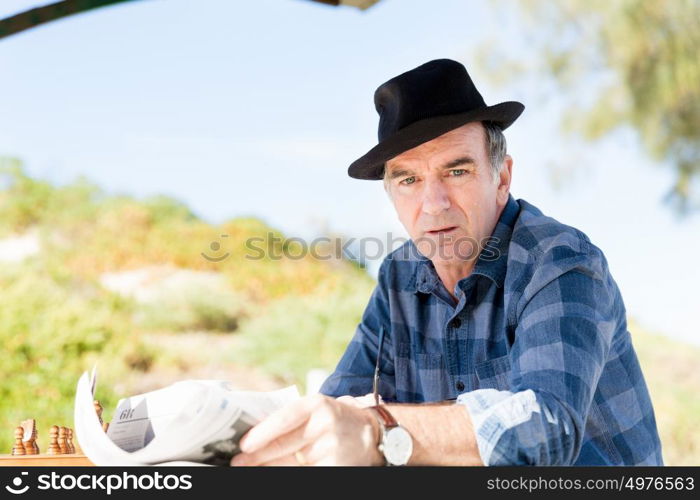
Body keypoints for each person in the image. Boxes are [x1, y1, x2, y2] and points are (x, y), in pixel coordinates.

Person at [230, 59, 663, 466]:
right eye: (409, 179)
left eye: (457, 172)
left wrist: (377, 430)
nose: (433, 205)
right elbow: (343, 401)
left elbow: (547, 426)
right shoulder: (399, 276)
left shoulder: (559, 260)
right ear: (391, 195)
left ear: (502, 178)